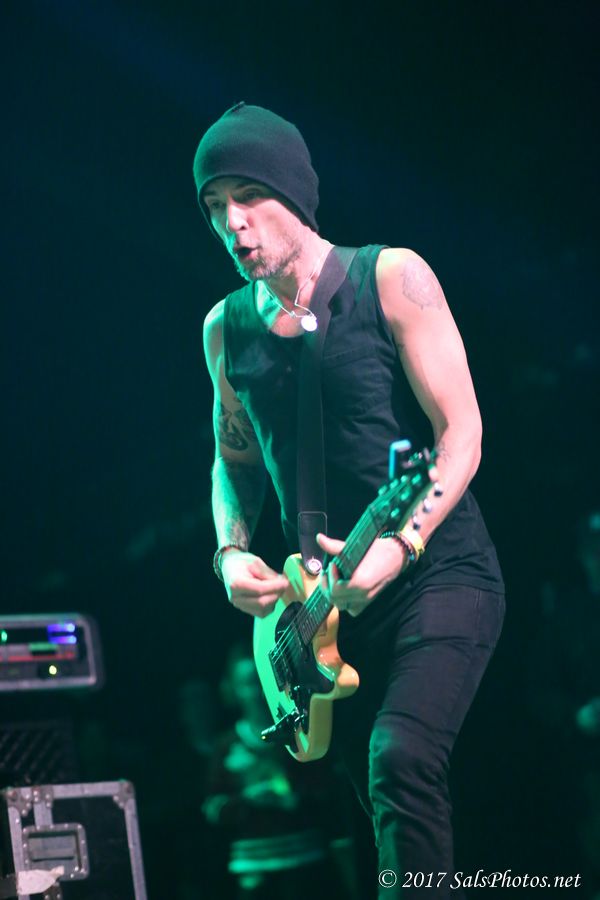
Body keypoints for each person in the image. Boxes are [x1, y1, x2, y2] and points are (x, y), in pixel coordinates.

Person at [194, 102, 505, 897]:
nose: (233, 222)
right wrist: (229, 551)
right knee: (374, 808)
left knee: (400, 759)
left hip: (439, 576)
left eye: (248, 195)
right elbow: (234, 459)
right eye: (215, 205)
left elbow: (462, 433)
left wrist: (401, 544)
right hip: (325, 609)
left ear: (295, 192)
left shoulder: (392, 277)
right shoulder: (225, 328)